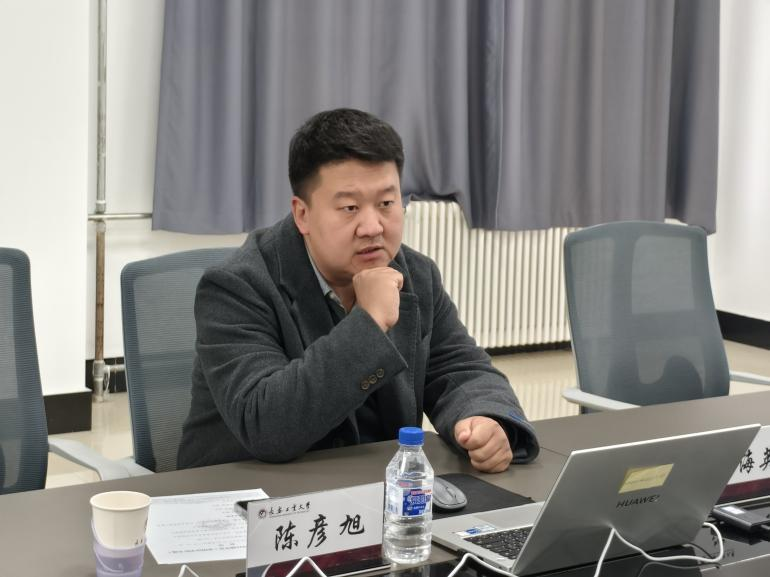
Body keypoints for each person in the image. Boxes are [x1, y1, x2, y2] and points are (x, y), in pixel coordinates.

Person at [178, 108, 539, 472]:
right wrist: (369, 321)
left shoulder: (416, 275)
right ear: (302, 214)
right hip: (251, 493)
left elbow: (460, 368)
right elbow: (267, 425)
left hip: (371, 492)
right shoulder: (236, 287)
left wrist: (484, 418)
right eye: (350, 207)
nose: (372, 227)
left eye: (386, 203)